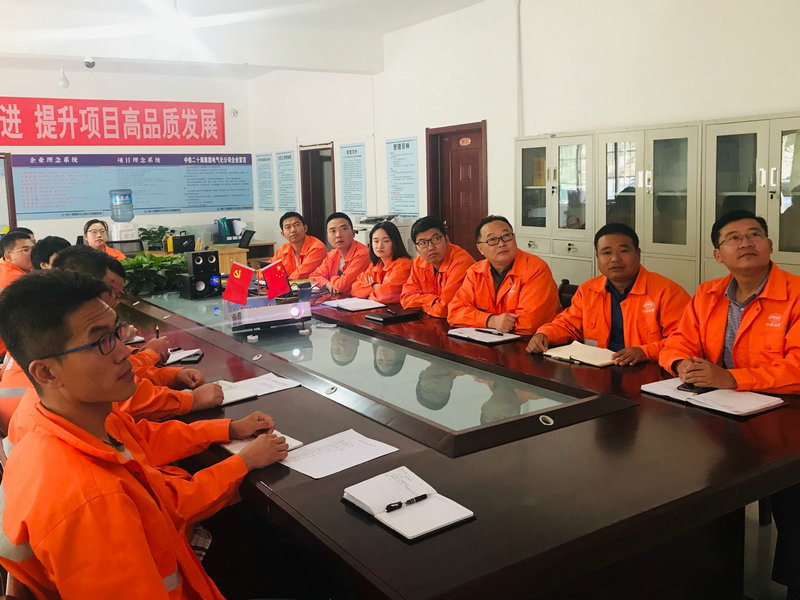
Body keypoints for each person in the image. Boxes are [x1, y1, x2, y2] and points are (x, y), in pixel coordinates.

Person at [0, 269, 289, 598]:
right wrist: (242, 463)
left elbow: (146, 440)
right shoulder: (93, 503)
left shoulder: (66, 420)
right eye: (101, 342)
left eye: (116, 332)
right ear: (46, 372)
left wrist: (226, 428)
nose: (125, 351)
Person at [659, 210, 800, 598]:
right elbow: (678, 341)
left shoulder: (796, 294)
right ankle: (704, 575)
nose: (746, 242)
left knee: (794, 493)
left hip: (786, 415)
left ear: (770, 245)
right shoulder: (708, 294)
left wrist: (733, 378)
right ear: (718, 254)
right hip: (723, 412)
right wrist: (680, 363)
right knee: (679, 473)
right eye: (733, 238)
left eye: (754, 234)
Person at [527, 223, 689, 366]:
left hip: (649, 372)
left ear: (638, 253)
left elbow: (683, 340)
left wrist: (645, 352)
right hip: (597, 372)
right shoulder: (588, 290)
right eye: (606, 252)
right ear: (597, 257)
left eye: (623, 251)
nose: (615, 259)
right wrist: (544, 334)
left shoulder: (667, 292)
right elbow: (567, 324)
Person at [448, 215, 559, 335]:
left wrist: (477, 319)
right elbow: (454, 313)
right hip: (491, 338)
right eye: (492, 240)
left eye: (506, 236)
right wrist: (491, 321)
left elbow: (529, 325)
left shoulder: (535, 269)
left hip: (533, 341)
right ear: (480, 249)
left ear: (514, 238)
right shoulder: (475, 272)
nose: (501, 244)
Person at [400, 216, 475, 318]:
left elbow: (445, 309)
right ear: (417, 249)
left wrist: (422, 302)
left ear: (446, 239)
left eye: (436, 239)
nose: (431, 247)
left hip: (463, 323)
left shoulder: (461, 262)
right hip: (434, 320)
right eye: (423, 243)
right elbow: (405, 299)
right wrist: (434, 301)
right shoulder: (418, 263)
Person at [351, 221, 413, 303]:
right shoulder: (376, 265)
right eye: (376, 241)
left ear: (395, 243)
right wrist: (375, 287)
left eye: (386, 241)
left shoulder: (403, 264)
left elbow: (385, 296)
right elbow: (354, 289)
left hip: (397, 310)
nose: (380, 246)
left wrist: (371, 286)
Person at [310, 212, 371, 294]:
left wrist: (332, 279)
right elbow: (314, 276)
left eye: (344, 229)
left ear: (353, 233)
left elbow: (343, 286)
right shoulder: (332, 254)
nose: (338, 235)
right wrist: (327, 284)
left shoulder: (363, 254)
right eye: (333, 231)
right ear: (327, 237)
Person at [272, 211, 327, 280]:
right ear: (283, 234)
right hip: (291, 285)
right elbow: (267, 270)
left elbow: (301, 275)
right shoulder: (282, 250)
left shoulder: (317, 247)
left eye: (296, 225)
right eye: (288, 227)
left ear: (305, 228)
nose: (293, 230)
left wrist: (282, 280)